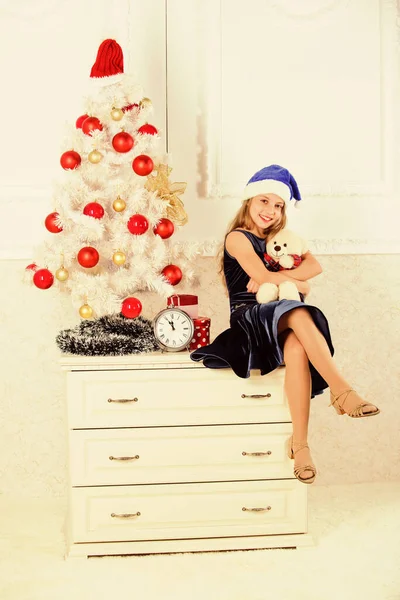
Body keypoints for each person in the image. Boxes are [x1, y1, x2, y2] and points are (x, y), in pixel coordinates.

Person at [190, 164, 380, 484]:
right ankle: (342, 391)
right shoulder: (238, 238)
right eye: (264, 201)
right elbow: (265, 278)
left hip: (282, 310)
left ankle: (301, 446)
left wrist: (291, 283)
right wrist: (296, 283)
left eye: (278, 205)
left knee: (296, 347)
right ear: (249, 201)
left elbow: (315, 267)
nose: (271, 211)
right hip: (250, 315)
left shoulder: (282, 239)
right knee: (298, 310)